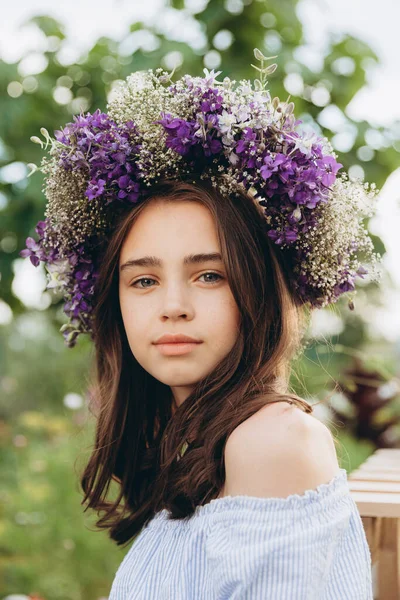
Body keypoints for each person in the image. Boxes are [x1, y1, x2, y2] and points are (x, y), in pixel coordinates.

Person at [21, 49, 379, 599]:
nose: (172, 306)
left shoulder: (273, 443)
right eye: (143, 281)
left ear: (255, 289)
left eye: (209, 275)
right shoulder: (201, 447)